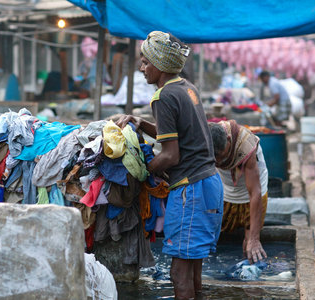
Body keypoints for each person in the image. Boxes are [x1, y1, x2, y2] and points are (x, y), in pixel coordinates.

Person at [116, 31, 223, 300]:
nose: (142, 69)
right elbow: (178, 135)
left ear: (160, 64)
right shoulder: (186, 87)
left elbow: (171, 155)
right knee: (193, 267)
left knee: (178, 273)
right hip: (209, 183)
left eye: (145, 62)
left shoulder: (162, 97)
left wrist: (142, 172)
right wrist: (141, 123)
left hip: (190, 190)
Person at [208, 120, 268, 264]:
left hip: (250, 195)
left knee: (250, 248)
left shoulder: (245, 145)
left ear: (229, 140)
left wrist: (254, 238)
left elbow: (254, 193)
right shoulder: (203, 138)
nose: (219, 162)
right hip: (225, 190)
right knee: (211, 238)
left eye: (222, 156)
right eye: (215, 159)